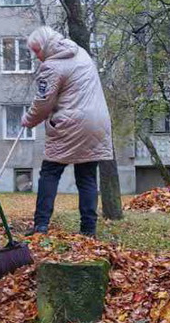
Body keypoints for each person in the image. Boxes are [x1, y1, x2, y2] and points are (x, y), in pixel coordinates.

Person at [21, 26, 113, 237]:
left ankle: (41, 225)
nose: (36, 56)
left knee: (50, 173)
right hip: (97, 124)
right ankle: (89, 230)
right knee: (87, 177)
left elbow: (44, 102)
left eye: (37, 51)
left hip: (70, 124)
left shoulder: (51, 66)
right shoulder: (80, 52)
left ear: (45, 46)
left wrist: (28, 120)